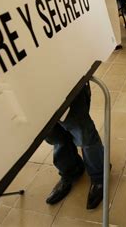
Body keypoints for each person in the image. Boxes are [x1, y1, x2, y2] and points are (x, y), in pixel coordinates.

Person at [45, 82, 105, 210]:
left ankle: (99, 176)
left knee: (84, 134)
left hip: (63, 81)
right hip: (33, 93)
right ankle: (71, 171)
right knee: (55, 136)